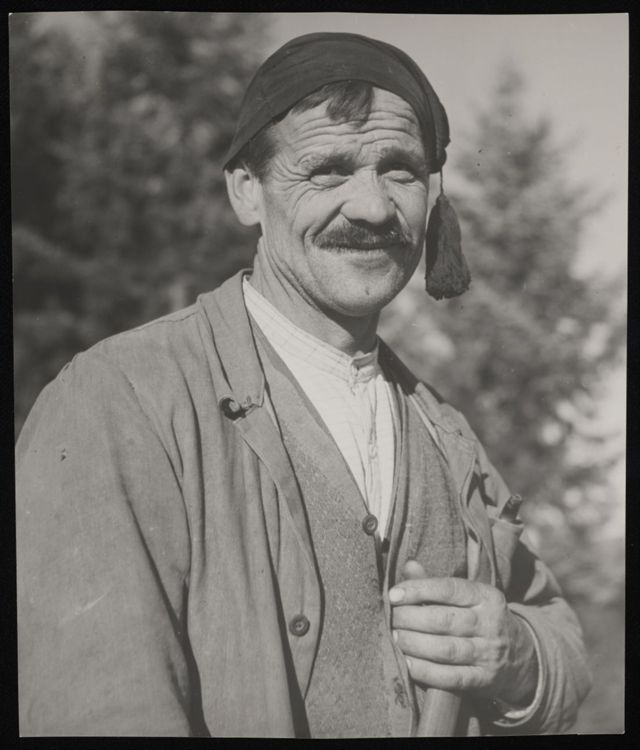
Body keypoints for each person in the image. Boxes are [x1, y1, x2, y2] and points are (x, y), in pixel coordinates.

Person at [16, 32, 591, 737]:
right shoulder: (120, 402)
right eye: (327, 170)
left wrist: (517, 656)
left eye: (401, 171)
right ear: (246, 192)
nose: (373, 206)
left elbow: (558, 635)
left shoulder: (448, 437)